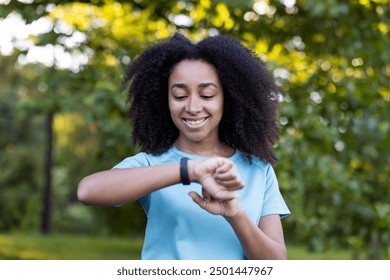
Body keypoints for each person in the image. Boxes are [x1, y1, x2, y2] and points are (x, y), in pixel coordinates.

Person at [77, 32, 290, 260]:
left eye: (207, 95)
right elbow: (87, 191)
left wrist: (235, 214)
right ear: (164, 100)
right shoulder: (152, 163)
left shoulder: (258, 170)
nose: (193, 107)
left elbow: (276, 263)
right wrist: (188, 170)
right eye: (179, 96)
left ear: (228, 99)